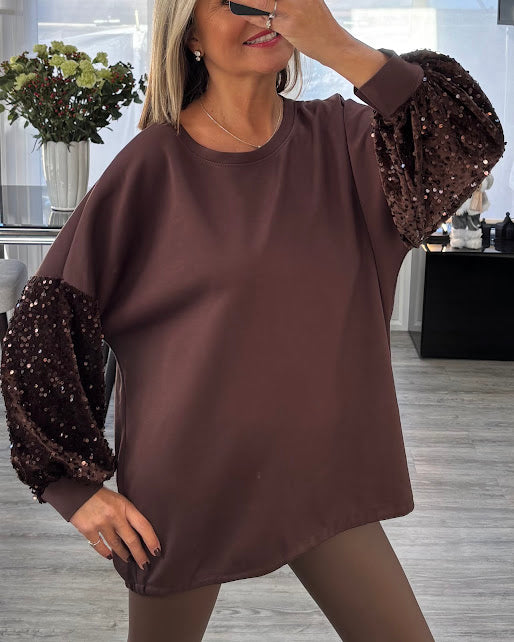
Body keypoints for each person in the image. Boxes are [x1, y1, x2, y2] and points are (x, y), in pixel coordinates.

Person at [0, 0, 506, 640]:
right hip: (188, 485)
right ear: (189, 34)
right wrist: (73, 489)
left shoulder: (350, 141)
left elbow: (467, 135)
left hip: (322, 473)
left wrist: (335, 43)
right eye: (232, 2)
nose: (261, 13)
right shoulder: (153, 165)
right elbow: (45, 324)